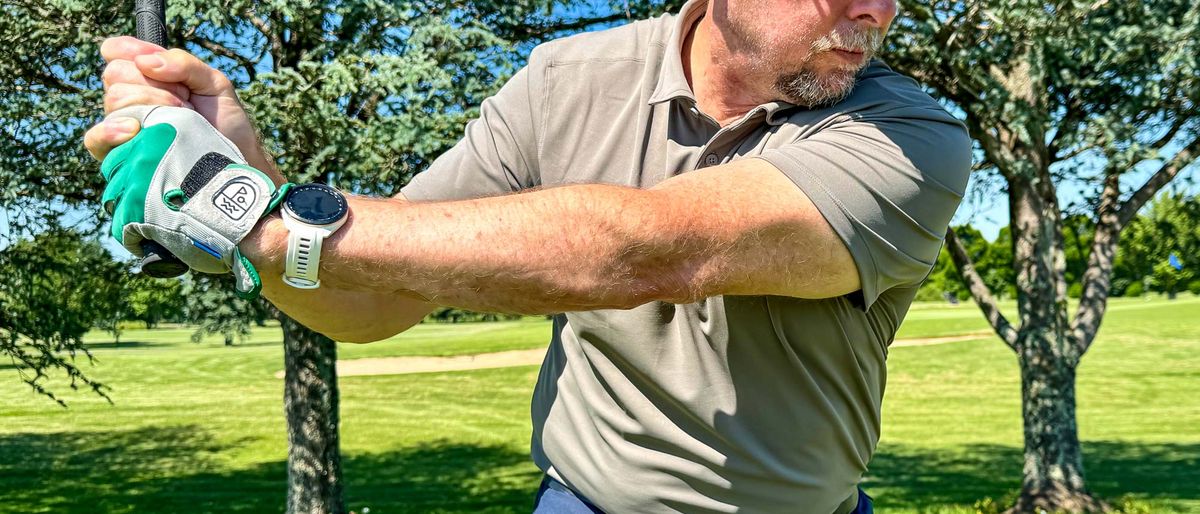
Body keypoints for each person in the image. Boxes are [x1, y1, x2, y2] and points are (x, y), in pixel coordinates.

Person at [85, 0, 971, 511]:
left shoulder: (908, 138)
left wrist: (246, 213)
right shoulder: (564, 83)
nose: (877, 11)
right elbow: (371, 302)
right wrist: (250, 171)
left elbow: (645, 251)